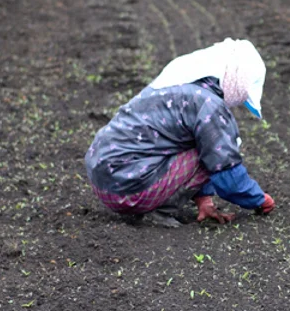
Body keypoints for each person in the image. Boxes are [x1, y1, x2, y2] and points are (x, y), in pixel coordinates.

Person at [85, 38, 275, 228]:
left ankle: (157, 203)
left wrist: (204, 200)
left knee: (205, 143)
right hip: (128, 189)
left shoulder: (179, 85)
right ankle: (157, 209)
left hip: (105, 180)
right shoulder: (208, 105)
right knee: (215, 146)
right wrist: (258, 199)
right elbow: (226, 172)